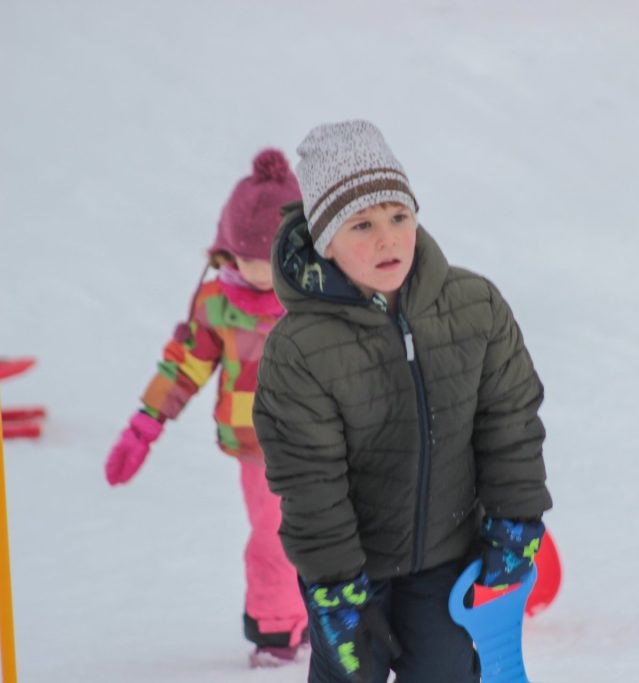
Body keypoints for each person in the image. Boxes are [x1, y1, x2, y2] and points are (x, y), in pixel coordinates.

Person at [252, 120, 552, 683]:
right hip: (351, 574)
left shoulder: (476, 307)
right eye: (361, 224)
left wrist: (515, 523)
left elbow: (510, 423)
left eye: (399, 216)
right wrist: (335, 589)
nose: (388, 238)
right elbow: (310, 482)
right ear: (325, 241)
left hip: (448, 562)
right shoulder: (299, 351)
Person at [104, 149, 309, 667]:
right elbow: (183, 367)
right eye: (247, 259)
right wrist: (143, 425)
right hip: (258, 450)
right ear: (226, 249)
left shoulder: (314, 298)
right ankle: (276, 631)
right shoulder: (218, 302)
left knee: (325, 533)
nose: (259, 272)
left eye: (271, 259)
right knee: (272, 537)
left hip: (322, 443)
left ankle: (312, 615)